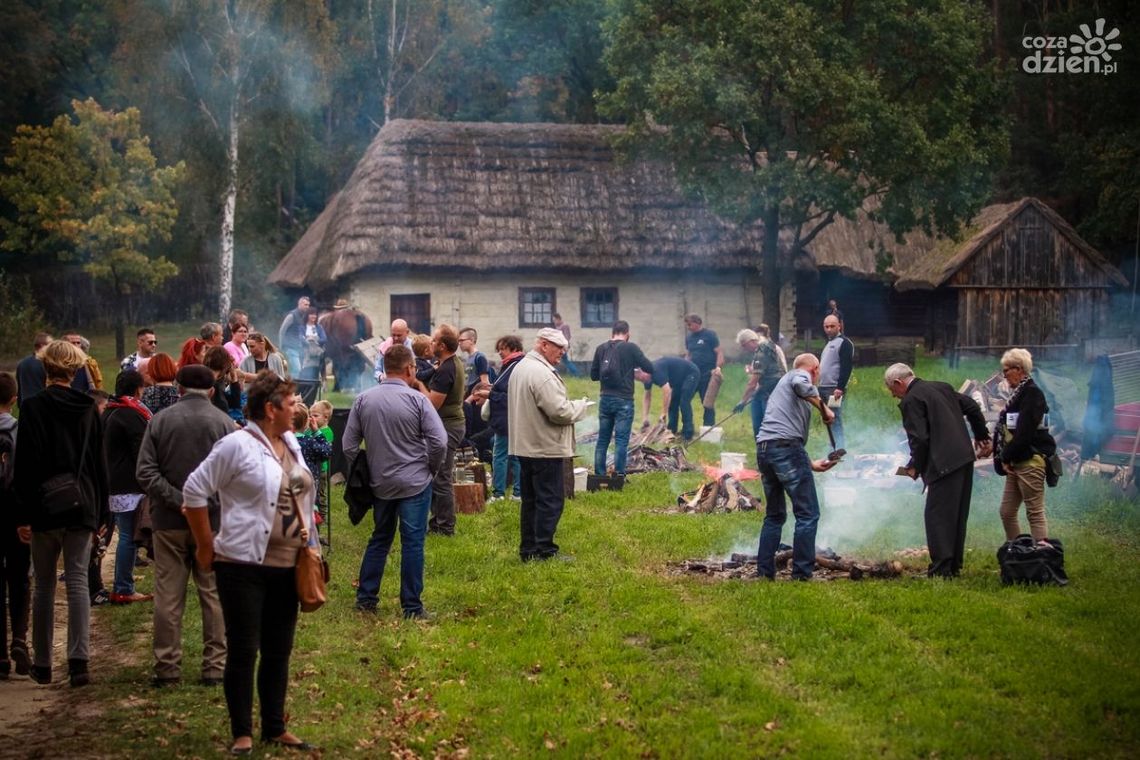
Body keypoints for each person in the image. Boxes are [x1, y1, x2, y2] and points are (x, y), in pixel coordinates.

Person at [183, 371, 321, 754]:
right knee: (245, 648)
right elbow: (194, 491)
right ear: (269, 408)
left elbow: (303, 497)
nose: (295, 409)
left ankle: (274, 726)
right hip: (242, 564)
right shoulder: (235, 446)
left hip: (288, 562)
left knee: (279, 648)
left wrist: (313, 546)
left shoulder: (291, 442)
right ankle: (242, 731)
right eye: (290, 403)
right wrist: (205, 548)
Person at [13, 340, 108, 686]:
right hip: (81, 503)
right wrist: (102, 514)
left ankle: (42, 662)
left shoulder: (34, 407)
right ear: (76, 368)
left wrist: (22, 514)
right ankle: (78, 660)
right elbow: (99, 463)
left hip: (43, 505)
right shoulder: (87, 408)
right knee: (79, 581)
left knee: (43, 586)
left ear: (45, 367)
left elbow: (24, 465)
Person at [136, 364, 233, 688]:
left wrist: (177, 498)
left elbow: (145, 471)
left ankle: (167, 667)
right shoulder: (224, 423)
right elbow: (235, 474)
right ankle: (215, 667)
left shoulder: (160, 421)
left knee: (168, 595)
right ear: (210, 391)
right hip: (213, 521)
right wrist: (202, 501)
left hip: (168, 521)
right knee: (213, 594)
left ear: (178, 388)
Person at [344, 346, 447, 617]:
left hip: (381, 483)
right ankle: (412, 607)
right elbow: (439, 441)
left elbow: (348, 445)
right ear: (410, 369)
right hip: (415, 481)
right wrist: (431, 469)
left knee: (380, 538)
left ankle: (366, 599)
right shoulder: (418, 400)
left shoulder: (363, 400)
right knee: (413, 542)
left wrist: (365, 471)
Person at [886, 363, 991, 578]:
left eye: (891, 389)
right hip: (963, 458)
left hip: (943, 464)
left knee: (938, 517)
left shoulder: (911, 400)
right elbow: (971, 405)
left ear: (898, 383)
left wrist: (915, 466)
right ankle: (953, 566)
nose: (893, 395)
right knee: (957, 515)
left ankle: (942, 570)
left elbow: (920, 439)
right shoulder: (941, 387)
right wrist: (982, 436)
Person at [507, 328, 590, 561]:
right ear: (544, 345)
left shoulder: (522, 367)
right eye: (558, 348)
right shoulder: (540, 373)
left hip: (526, 445)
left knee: (531, 501)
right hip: (543, 446)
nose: (562, 353)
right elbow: (559, 411)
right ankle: (544, 550)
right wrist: (581, 406)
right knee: (550, 501)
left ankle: (528, 550)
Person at [754, 353, 837, 580]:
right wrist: (824, 408)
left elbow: (783, 434)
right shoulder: (799, 375)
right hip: (784, 449)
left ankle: (764, 573)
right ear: (815, 369)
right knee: (808, 513)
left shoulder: (784, 387)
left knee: (774, 515)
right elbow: (802, 385)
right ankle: (801, 574)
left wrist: (810, 463)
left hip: (765, 449)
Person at [992, 348, 1057, 547]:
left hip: (1030, 460)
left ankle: (1042, 557)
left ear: (1019, 369)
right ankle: (1016, 553)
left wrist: (1004, 456)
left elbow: (1025, 433)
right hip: (1016, 460)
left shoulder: (1032, 394)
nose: (1004, 375)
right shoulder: (1019, 393)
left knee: (1034, 511)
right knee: (1007, 512)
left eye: (1006, 370)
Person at [103, 370, 155, 605]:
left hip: (115, 479)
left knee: (126, 534)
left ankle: (123, 579)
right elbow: (141, 452)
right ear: (137, 389)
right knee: (127, 536)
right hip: (129, 483)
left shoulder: (111, 411)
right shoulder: (131, 414)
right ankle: (123, 587)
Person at [590, 321, 654, 476]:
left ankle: (599, 474)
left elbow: (593, 376)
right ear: (627, 333)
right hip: (624, 400)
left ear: (612, 333)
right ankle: (619, 475)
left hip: (605, 398)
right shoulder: (630, 347)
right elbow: (649, 368)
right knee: (621, 440)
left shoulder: (601, 348)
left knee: (603, 439)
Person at [0, 372, 31, 680]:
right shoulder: (20, 431)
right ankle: (20, 638)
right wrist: (26, 519)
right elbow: (25, 476)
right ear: (13, 399)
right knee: (20, 577)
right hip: (15, 515)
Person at [426, 324, 466, 536]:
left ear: (442, 345)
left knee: (442, 477)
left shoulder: (445, 369)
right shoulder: (453, 363)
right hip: (452, 424)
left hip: (447, 427)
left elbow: (432, 405)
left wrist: (416, 384)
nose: (431, 344)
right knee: (439, 475)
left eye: (433, 341)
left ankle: (445, 526)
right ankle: (438, 522)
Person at [480, 335, 525, 500]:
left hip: (506, 420)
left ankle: (498, 493)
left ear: (513, 348)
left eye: (502, 348)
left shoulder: (514, 366)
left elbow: (510, 396)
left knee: (499, 456)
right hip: (513, 419)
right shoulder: (514, 365)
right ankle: (518, 493)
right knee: (515, 457)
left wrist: (490, 394)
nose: (499, 352)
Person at [734, 327, 786, 438]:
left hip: (772, 392)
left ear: (751, 341)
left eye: (744, 345)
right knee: (760, 425)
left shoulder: (762, 350)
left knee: (766, 427)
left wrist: (743, 401)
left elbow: (753, 382)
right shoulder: (766, 346)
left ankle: (766, 451)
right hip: (766, 389)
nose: (744, 349)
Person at [635, 356, 700, 441]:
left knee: (684, 402)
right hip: (678, 379)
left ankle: (688, 433)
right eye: (638, 380)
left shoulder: (655, 370)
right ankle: (672, 430)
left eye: (640, 378)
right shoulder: (646, 378)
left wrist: (663, 413)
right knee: (673, 404)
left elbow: (667, 391)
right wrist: (645, 417)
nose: (642, 381)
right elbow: (647, 396)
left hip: (691, 373)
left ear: (642, 371)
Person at [818, 314, 854, 450]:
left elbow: (847, 367)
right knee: (828, 419)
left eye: (832, 326)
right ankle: (832, 446)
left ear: (839, 326)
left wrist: (840, 387)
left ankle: (839, 448)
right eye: (826, 326)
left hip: (834, 389)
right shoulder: (828, 344)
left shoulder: (844, 343)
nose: (829, 329)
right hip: (823, 387)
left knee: (835, 419)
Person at [683, 314, 724, 428]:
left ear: (697, 323)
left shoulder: (709, 335)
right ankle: (687, 426)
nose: (688, 327)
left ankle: (708, 427)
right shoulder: (689, 337)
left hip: (707, 374)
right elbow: (688, 354)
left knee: (707, 402)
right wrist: (684, 367)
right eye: (687, 325)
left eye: (690, 324)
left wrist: (718, 368)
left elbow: (719, 352)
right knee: (684, 399)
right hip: (692, 374)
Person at [15, 332, 52, 407]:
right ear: (42, 346)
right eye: (50, 344)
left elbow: (19, 388)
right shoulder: (47, 363)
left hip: (25, 406)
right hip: (42, 406)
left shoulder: (21, 364)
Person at [277, 296, 311, 378]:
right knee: (296, 370)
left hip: (297, 347)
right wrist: (280, 346)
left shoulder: (303, 316)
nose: (307, 307)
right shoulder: (292, 316)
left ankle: (293, 388)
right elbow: (282, 331)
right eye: (305, 304)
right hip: (289, 347)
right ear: (299, 304)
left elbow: (298, 334)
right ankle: (292, 389)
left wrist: (306, 343)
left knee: (297, 370)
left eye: (308, 305)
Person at [297, 308, 327, 381]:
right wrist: (307, 340)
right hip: (306, 354)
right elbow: (300, 337)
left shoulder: (319, 327)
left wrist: (315, 340)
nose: (314, 316)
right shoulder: (302, 327)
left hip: (317, 354)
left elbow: (324, 338)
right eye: (311, 314)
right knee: (305, 372)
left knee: (316, 372)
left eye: (315, 314)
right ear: (307, 315)